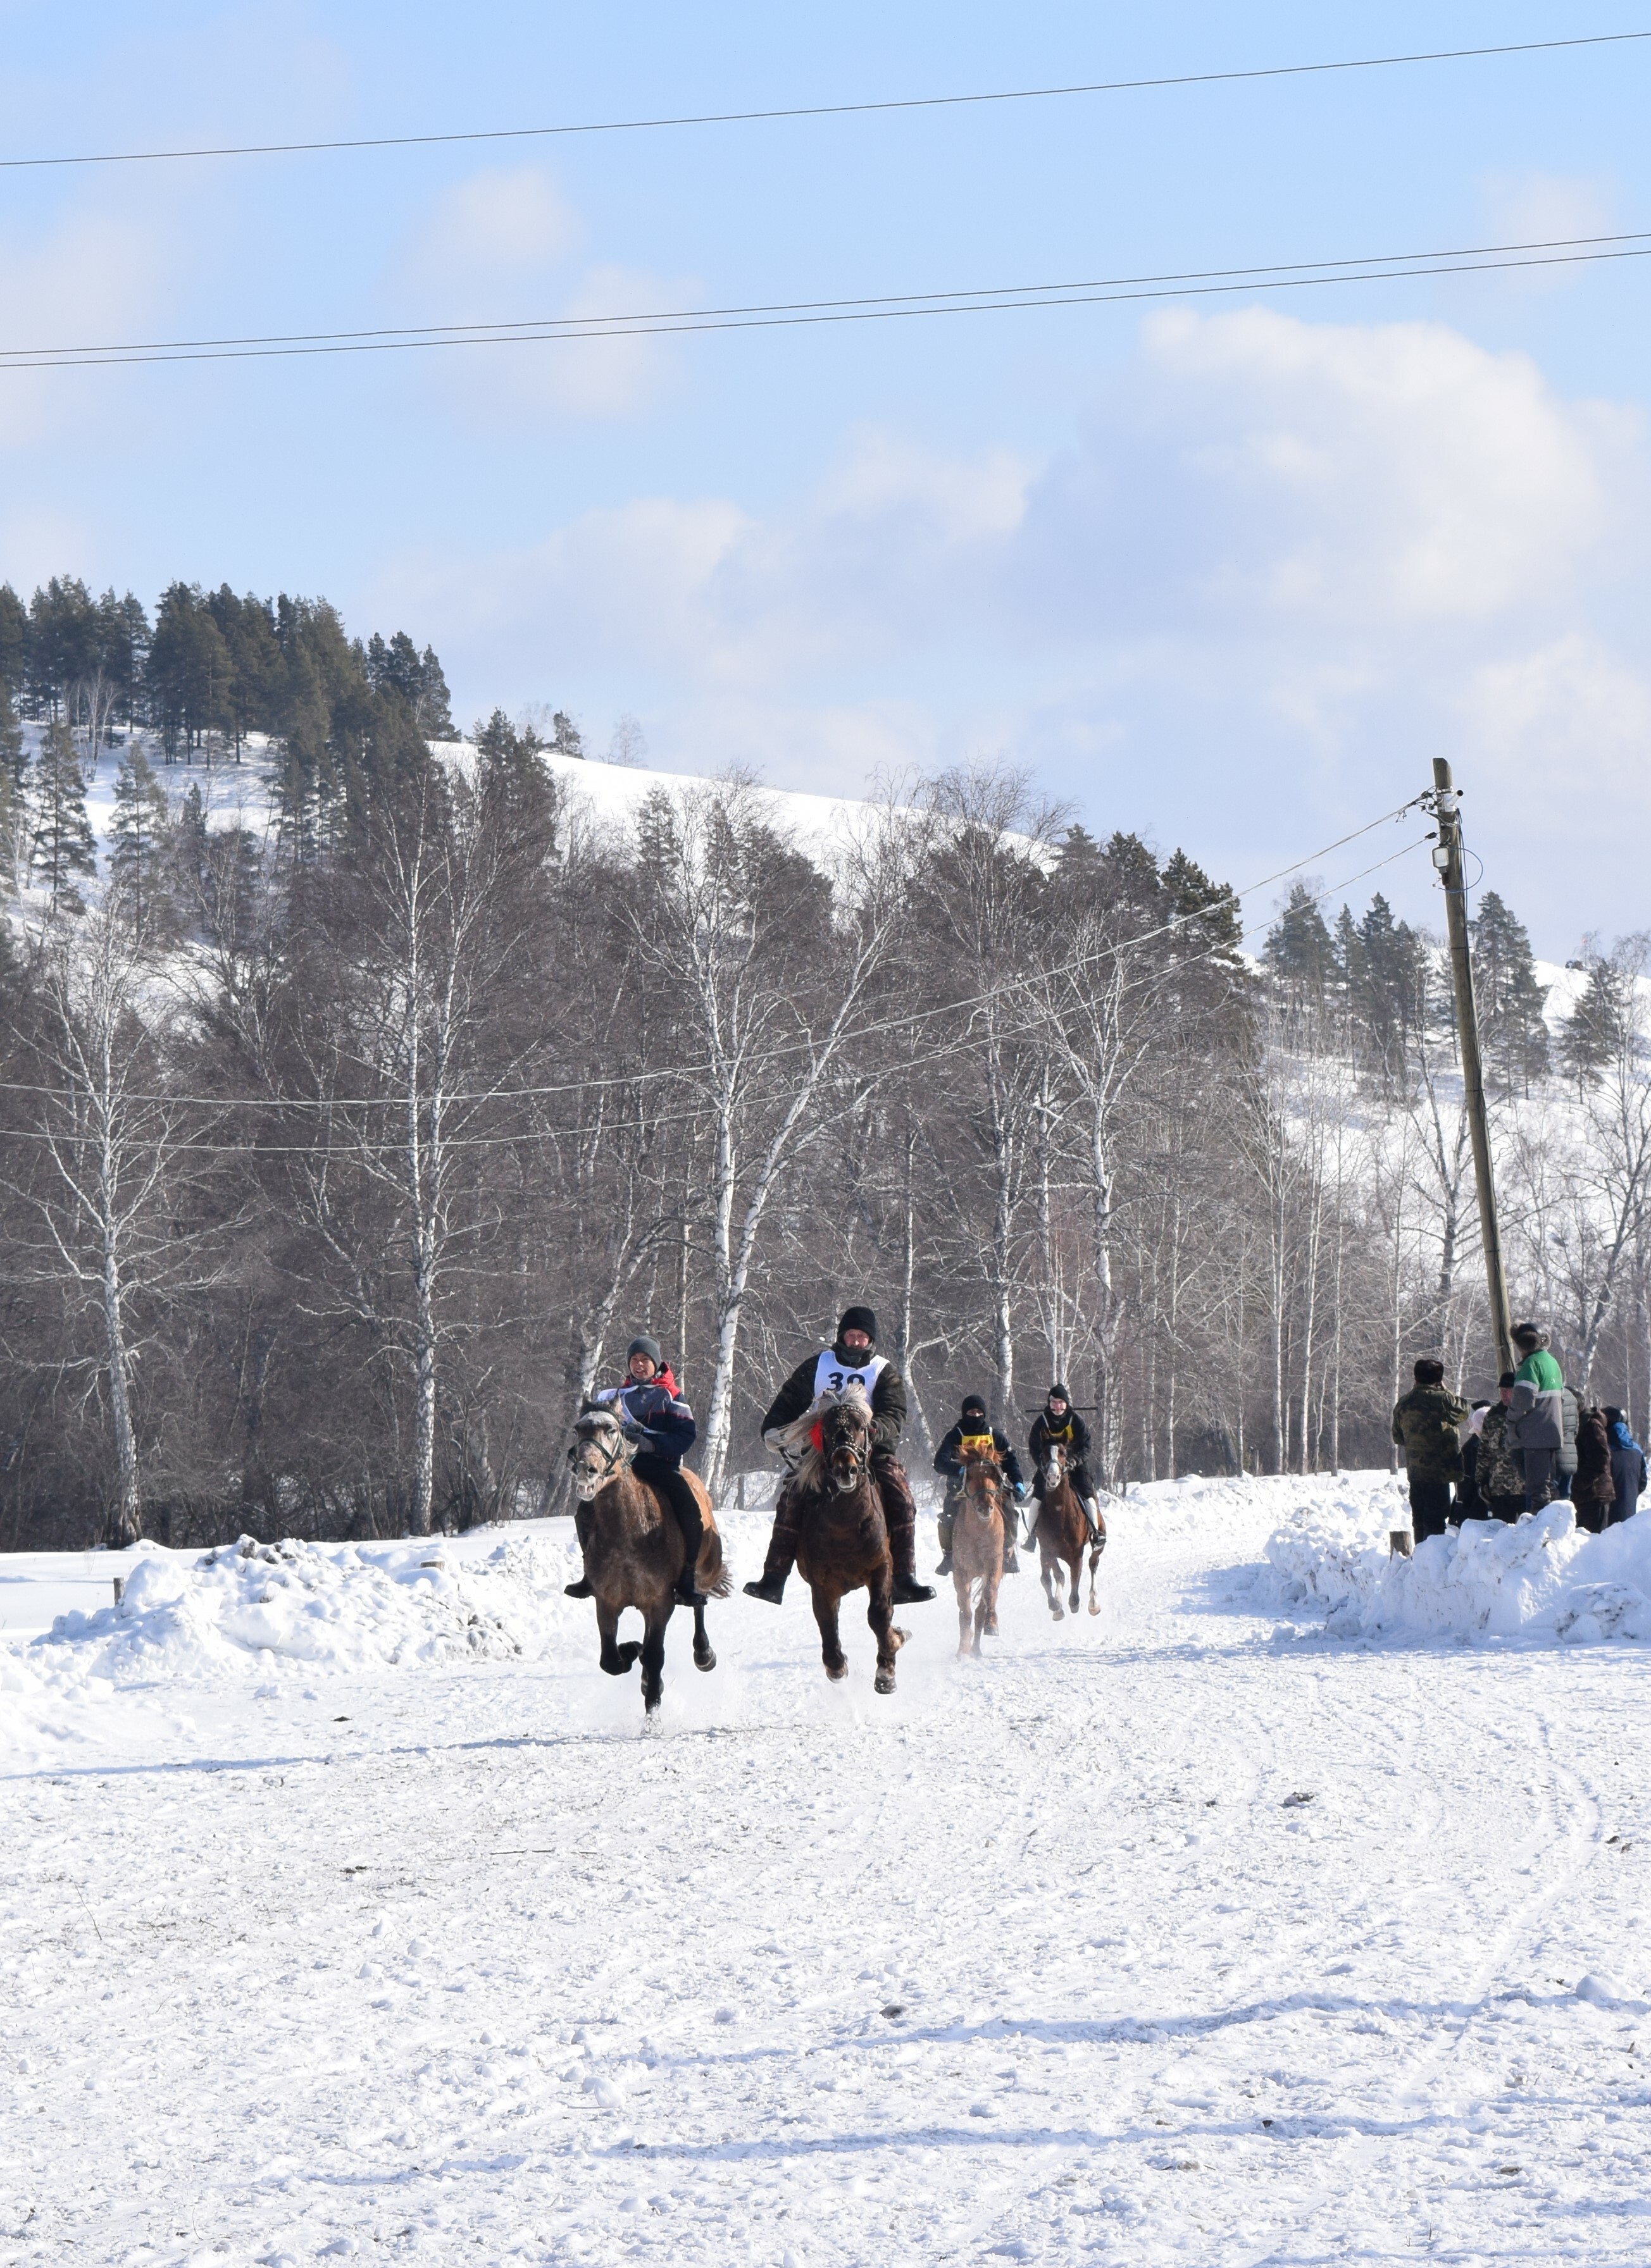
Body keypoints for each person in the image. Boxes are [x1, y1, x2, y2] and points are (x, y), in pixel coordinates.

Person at [742, 1304, 936, 1608]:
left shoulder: (882, 1371)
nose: (856, 1341)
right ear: (842, 1336)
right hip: (822, 1450)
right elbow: (791, 1397)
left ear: (870, 1340)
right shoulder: (819, 1364)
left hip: (871, 1450)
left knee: (900, 1496)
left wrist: (874, 1430)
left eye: (862, 1337)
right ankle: (774, 1576)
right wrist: (772, 1427)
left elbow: (895, 1413)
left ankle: (904, 1578)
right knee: (792, 1495)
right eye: (851, 1335)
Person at [564, 1335, 706, 1606]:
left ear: (656, 1363)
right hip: (617, 1471)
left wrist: (650, 1442)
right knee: (583, 1511)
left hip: (660, 1467)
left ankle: (688, 1577)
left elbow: (686, 1437)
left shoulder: (672, 1395)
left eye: (645, 1360)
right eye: (634, 1360)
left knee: (690, 1510)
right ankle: (589, 1575)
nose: (639, 1366)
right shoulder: (611, 1397)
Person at [933, 1395, 1027, 1576]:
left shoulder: (995, 1435)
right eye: (971, 1412)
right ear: (964, 1413)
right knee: (947, 1519)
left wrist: (1018, 1482)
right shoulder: (955, 1435)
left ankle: (1008, 1552)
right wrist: (959, 1469)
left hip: (993, 1490)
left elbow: (1011, 1461)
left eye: (979, 1412)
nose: (975, 1415)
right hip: (961, 1489)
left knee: (1010, 1511)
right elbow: (939, 1462)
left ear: (984, 1413)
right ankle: (949, 1556)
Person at [1390, 1357, 1469, 1542]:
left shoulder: (1403, 1403)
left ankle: (1420, 1558)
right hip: (1439, 1473)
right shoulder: (1443, 1400)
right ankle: (1432, 1561)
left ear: (1415, 1378)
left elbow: (1397, 1437)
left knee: (1419, 1520)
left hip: (1416, 1473)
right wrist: (1446, 1389)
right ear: (1439, 1380)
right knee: (1435, 1521)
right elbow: (1464, 1411)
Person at [1027, 1384, 1103, 1548]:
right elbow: (1033, 1447)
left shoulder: (1076, 1421)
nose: (1057, 1406)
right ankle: (1031, 1536)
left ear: (1067, 1404)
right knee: (1037, 1497)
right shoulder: (1041, 1423)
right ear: (1049, 1404)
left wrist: (1074, 1461)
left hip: (1075, 1466)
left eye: (1061, 1402)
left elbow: (1086, 1447)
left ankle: (1095, 1534)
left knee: (1088, 1494)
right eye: (1054, 1402)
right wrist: (1042, 1465)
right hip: (1048, 1468)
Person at [1509, 1323, 1566, 1512]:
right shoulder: (1551, 1362)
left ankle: (1540, 1530)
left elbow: (1523, 1401)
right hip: (1552, 1432)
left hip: (1534, 1434)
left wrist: (1511, 1418)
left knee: (1537, 1489)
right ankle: (1552, 1522)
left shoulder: (1531, 1365)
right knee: (1549, 1485)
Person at [1476, 1373, 1528, 1521]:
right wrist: (1482, 1481)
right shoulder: (1492, 1417)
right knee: (1500, 1534)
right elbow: (1484, 1452)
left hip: (1525, 1486)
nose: (1504, 1394)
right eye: (1502, 1390)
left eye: (1508, 1390)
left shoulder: (1528, 1414)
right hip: (1499, 1488)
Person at [1571, 1403, 1617, 1535]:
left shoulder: (1591, 1425)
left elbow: (1602, 1457)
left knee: (1593, 1541)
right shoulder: (1581, 1424)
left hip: (1595, 1494)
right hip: (1584, 1494)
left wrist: (1580, 1482)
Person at [1603, 1406, 1647, 1525]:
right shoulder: (1636, 1449)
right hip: (1629, 1513)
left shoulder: (1603, 1448)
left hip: (1606, 1515)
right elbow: (1643, 1481)